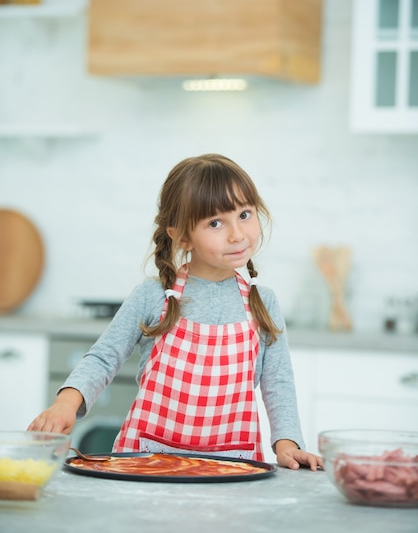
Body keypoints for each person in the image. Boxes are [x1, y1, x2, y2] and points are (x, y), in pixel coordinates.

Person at [29, 153, 322, 471]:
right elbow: (103, 358)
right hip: (145, 464)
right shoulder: (153, 296)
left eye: (245, 214)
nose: (237, 234)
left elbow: (278, 382)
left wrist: (288, 443)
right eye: (215, 222)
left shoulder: (263, 303)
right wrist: (65, 404)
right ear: (182, 235)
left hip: (232, 470)